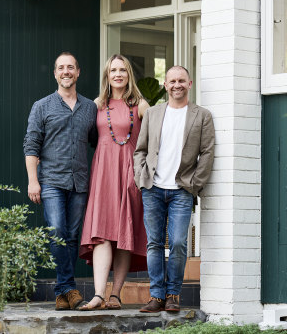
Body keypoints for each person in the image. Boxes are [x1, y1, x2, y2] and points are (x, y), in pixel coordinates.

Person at [133, 65, 215, 313]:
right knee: (155, 243)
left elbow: (207, 152)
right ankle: (156, 296)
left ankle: (173, 295)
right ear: (165, 85)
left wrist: (194, 184)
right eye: (172, 81)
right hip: (153, 188)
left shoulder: (202, 116)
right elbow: (141, 150)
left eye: (182, 80)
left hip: (181, 190)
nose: (177, 85)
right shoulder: (153, 113)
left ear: (189, 84)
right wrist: (141, 177)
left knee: (179, 242)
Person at [23, 52, 98, 311]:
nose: (66, 72)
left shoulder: (90, 108)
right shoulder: (41, 106)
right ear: (55, 74)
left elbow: (99, 143)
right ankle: (69, 288)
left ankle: (61, 293)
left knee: (73, 236)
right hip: (51, 181)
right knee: (57, 232)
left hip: (79, 182)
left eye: (70, 68)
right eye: (61, 68)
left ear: (78, 73)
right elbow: (31, 145)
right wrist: (33, 181)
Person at [77, 54, 150, 311]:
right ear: (107, 76)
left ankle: (116, 295)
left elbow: (156, 141)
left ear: (129, 74)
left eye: (122, 70)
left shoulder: (141, 105)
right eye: (113, 70)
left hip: (129, 175)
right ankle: (98, 294)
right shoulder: (96, 105)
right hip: (102, 174)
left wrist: (142, 174)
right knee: (101, 235)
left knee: (123, 235)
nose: (117, 74)